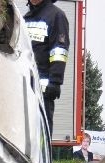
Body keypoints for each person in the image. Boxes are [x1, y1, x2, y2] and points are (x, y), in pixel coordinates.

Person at [23, 0, 70, 135]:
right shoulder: (25, 19)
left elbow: (59, 51)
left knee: (41, 134)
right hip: (25, 89)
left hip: (43, 93)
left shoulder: (56, 16)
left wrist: (55, 82)